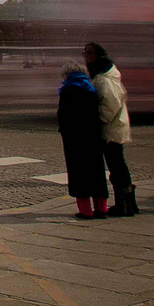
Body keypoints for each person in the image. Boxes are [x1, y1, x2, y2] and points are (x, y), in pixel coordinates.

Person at [83, 42, 136, 216]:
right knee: (116, 166)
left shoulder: (105, 77)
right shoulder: (101, 73)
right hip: (111, 128)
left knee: (117, 166)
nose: (86, 56)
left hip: (111, 129)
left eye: (90, 53)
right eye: (85, 53)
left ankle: (126, 204)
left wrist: (98, 120)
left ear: (99, 55)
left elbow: (111, 104)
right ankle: (125, 203)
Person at [58, 61, 108, 219]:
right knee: (97, 170)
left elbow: (63, 115)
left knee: (78, 172)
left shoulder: (68, 89)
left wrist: (64, 131)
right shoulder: (91, 88)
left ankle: (85, 210)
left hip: (74, 137)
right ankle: (102, 208)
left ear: (66, 75)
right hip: (93, 135)